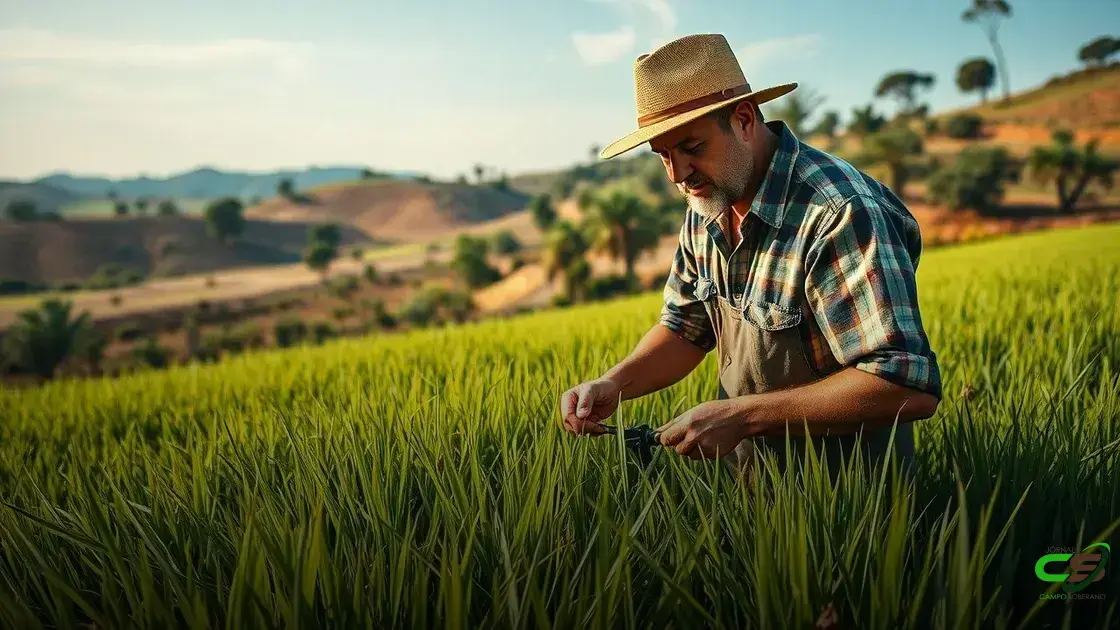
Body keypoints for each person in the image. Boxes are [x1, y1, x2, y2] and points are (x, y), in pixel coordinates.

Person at [558, 33, 941, 479]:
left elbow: (904, 386)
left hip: (854, 504)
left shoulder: (839, 213)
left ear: (743, 119)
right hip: (748, 497)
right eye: (663, 156)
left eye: (692, 148)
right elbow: (685, 328)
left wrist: (742, 416)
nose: (678, 174)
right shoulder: (707, 204)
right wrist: (614, 385)